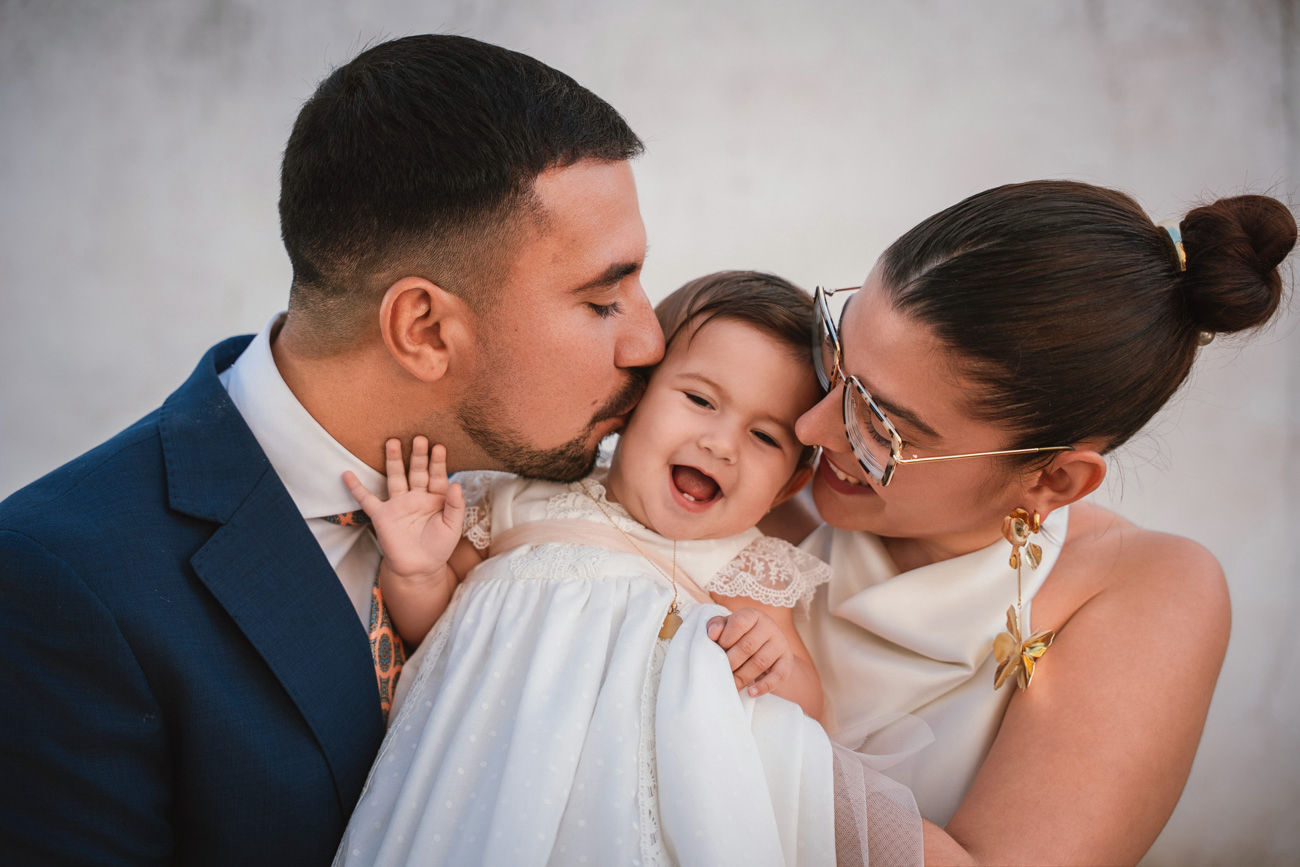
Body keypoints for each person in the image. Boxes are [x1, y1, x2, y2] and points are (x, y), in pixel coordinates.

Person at [0, 35, 662, 866]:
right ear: (422, 328)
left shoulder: (584, 486)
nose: (650, 339)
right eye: (603, 300)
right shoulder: (64, 578)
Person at [781, 181, 1295, 864]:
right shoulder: (756, 464)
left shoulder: (1149, 589)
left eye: (879, 425)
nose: (809, 426)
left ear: (1054, 480)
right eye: (835, 354)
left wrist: (738, 722)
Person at [333, 272, 922, 866]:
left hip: (616, 812)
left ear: (787, 486)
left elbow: (805, 707)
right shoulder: (523, 498)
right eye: (699, 400)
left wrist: (768, 654)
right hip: (474, 771)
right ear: (630, 402)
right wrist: (417, 571)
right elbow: (430, 628)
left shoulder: (740, 565)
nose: (721, 444)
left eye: (764, 436)